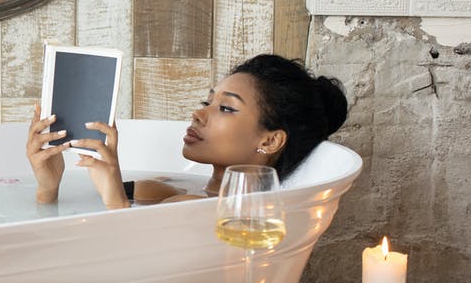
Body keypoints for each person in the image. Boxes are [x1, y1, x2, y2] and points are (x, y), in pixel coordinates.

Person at [25, 54, 348, 209]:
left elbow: (134, 273)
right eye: (206, 101)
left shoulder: (232, 218)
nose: (198, 113)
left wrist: (115, 202)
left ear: (270, 140)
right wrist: (48, 187)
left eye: (226, 108)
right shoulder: (173, 193)